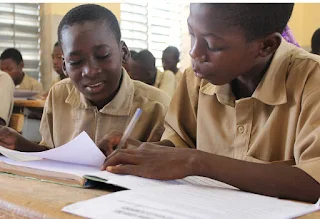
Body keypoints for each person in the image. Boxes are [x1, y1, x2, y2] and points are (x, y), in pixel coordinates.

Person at [101, 3, 320, 203]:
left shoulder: (312, 81)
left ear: (266, 45)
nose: (194, 52)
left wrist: (197, 162)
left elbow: (313, 183)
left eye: (213, 45)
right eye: (192, 34)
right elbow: (180, 144)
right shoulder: (195, 80)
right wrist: (142, 151)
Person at [0, 4, 170, 152]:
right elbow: (51, 154)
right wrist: (21, 144)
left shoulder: (156, 106)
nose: (89, 71)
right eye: (76, 61)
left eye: (103, 55)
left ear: (123, 53)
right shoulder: (58, 95)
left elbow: (164, 168)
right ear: (65, 66)